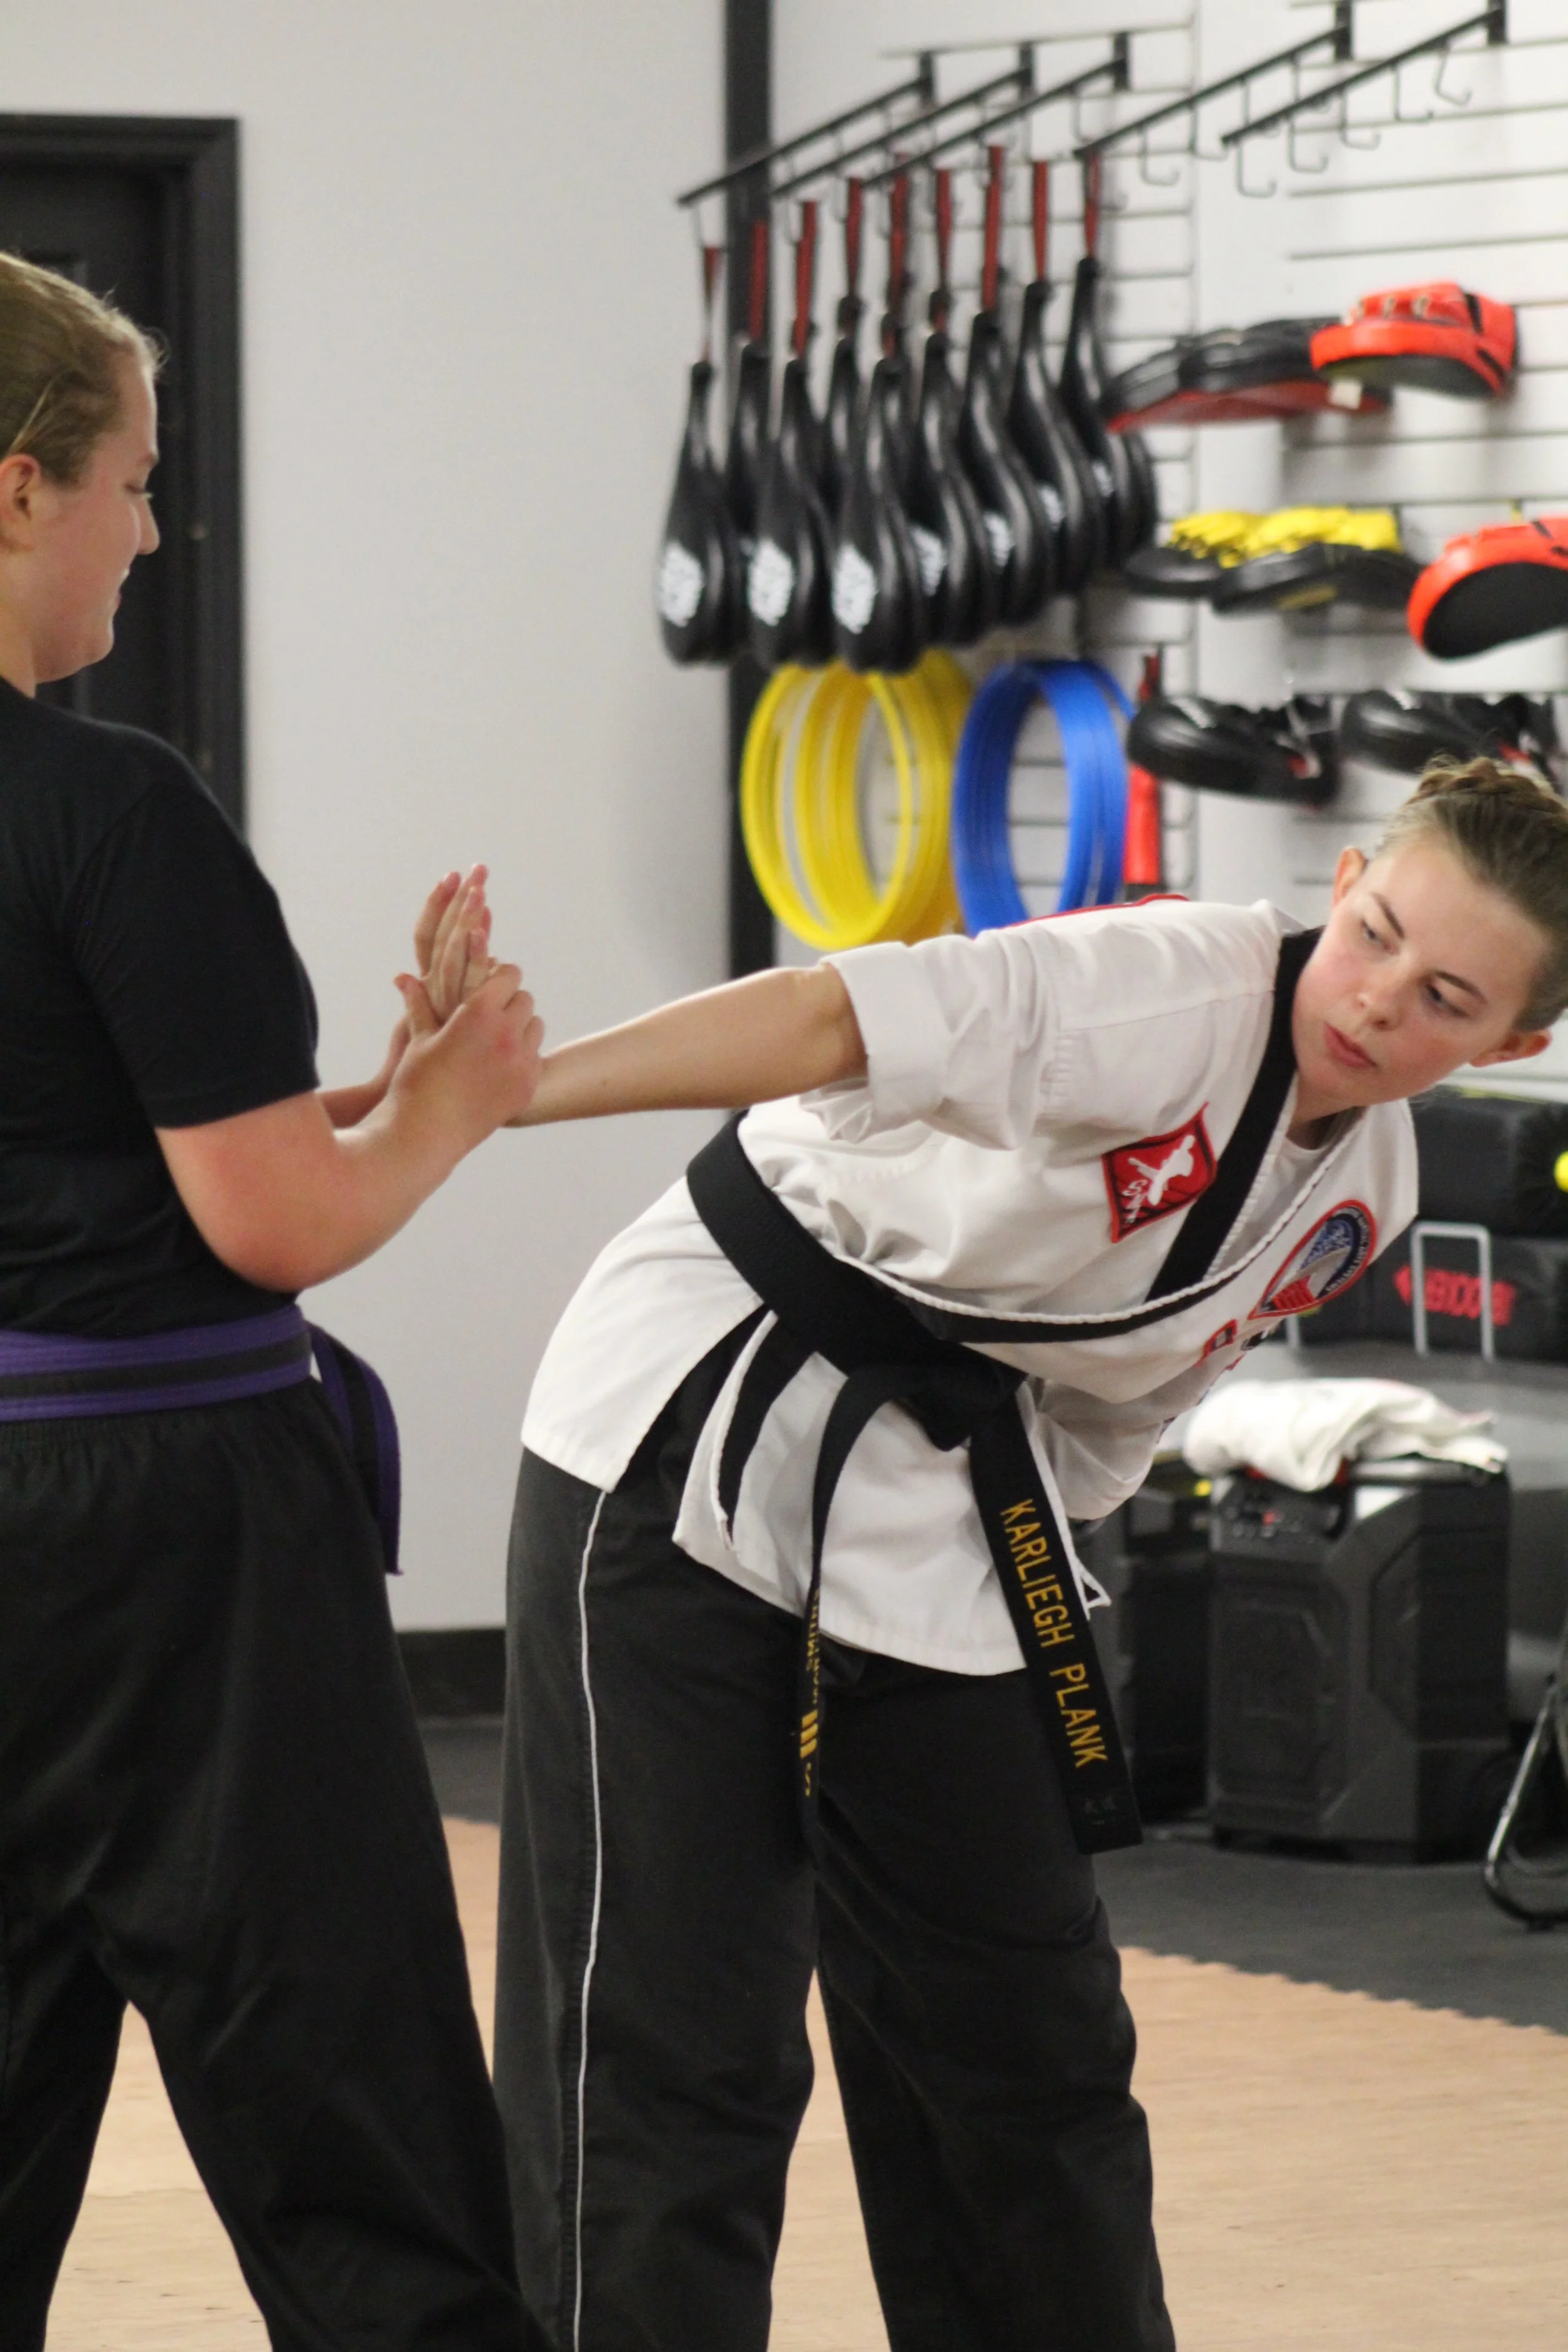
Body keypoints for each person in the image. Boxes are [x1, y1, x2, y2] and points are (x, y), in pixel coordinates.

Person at [467, 760, 1568, 2351]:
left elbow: (1123, 1406)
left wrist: (1034, 1566)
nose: (1378, 999)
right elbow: (830, 1018)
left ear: (1512, 1046)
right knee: (674, 2041)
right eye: (1377, 933)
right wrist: (517, 1089)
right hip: (694, 1423)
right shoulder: (1157, 987)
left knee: (1027, 2035)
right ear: (1339, 885)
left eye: (1444, 995)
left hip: (946, 1505)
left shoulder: (1364, 1190)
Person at [0, 251, 547, 2351]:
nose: (153, 528)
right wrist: (464, 1108)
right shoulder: (108, 806)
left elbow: (85, 1136)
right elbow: (274, 1229)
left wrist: (381, 1093)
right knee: (356, 2138)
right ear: (21, 489)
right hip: (167, 1544)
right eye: (133, 481)